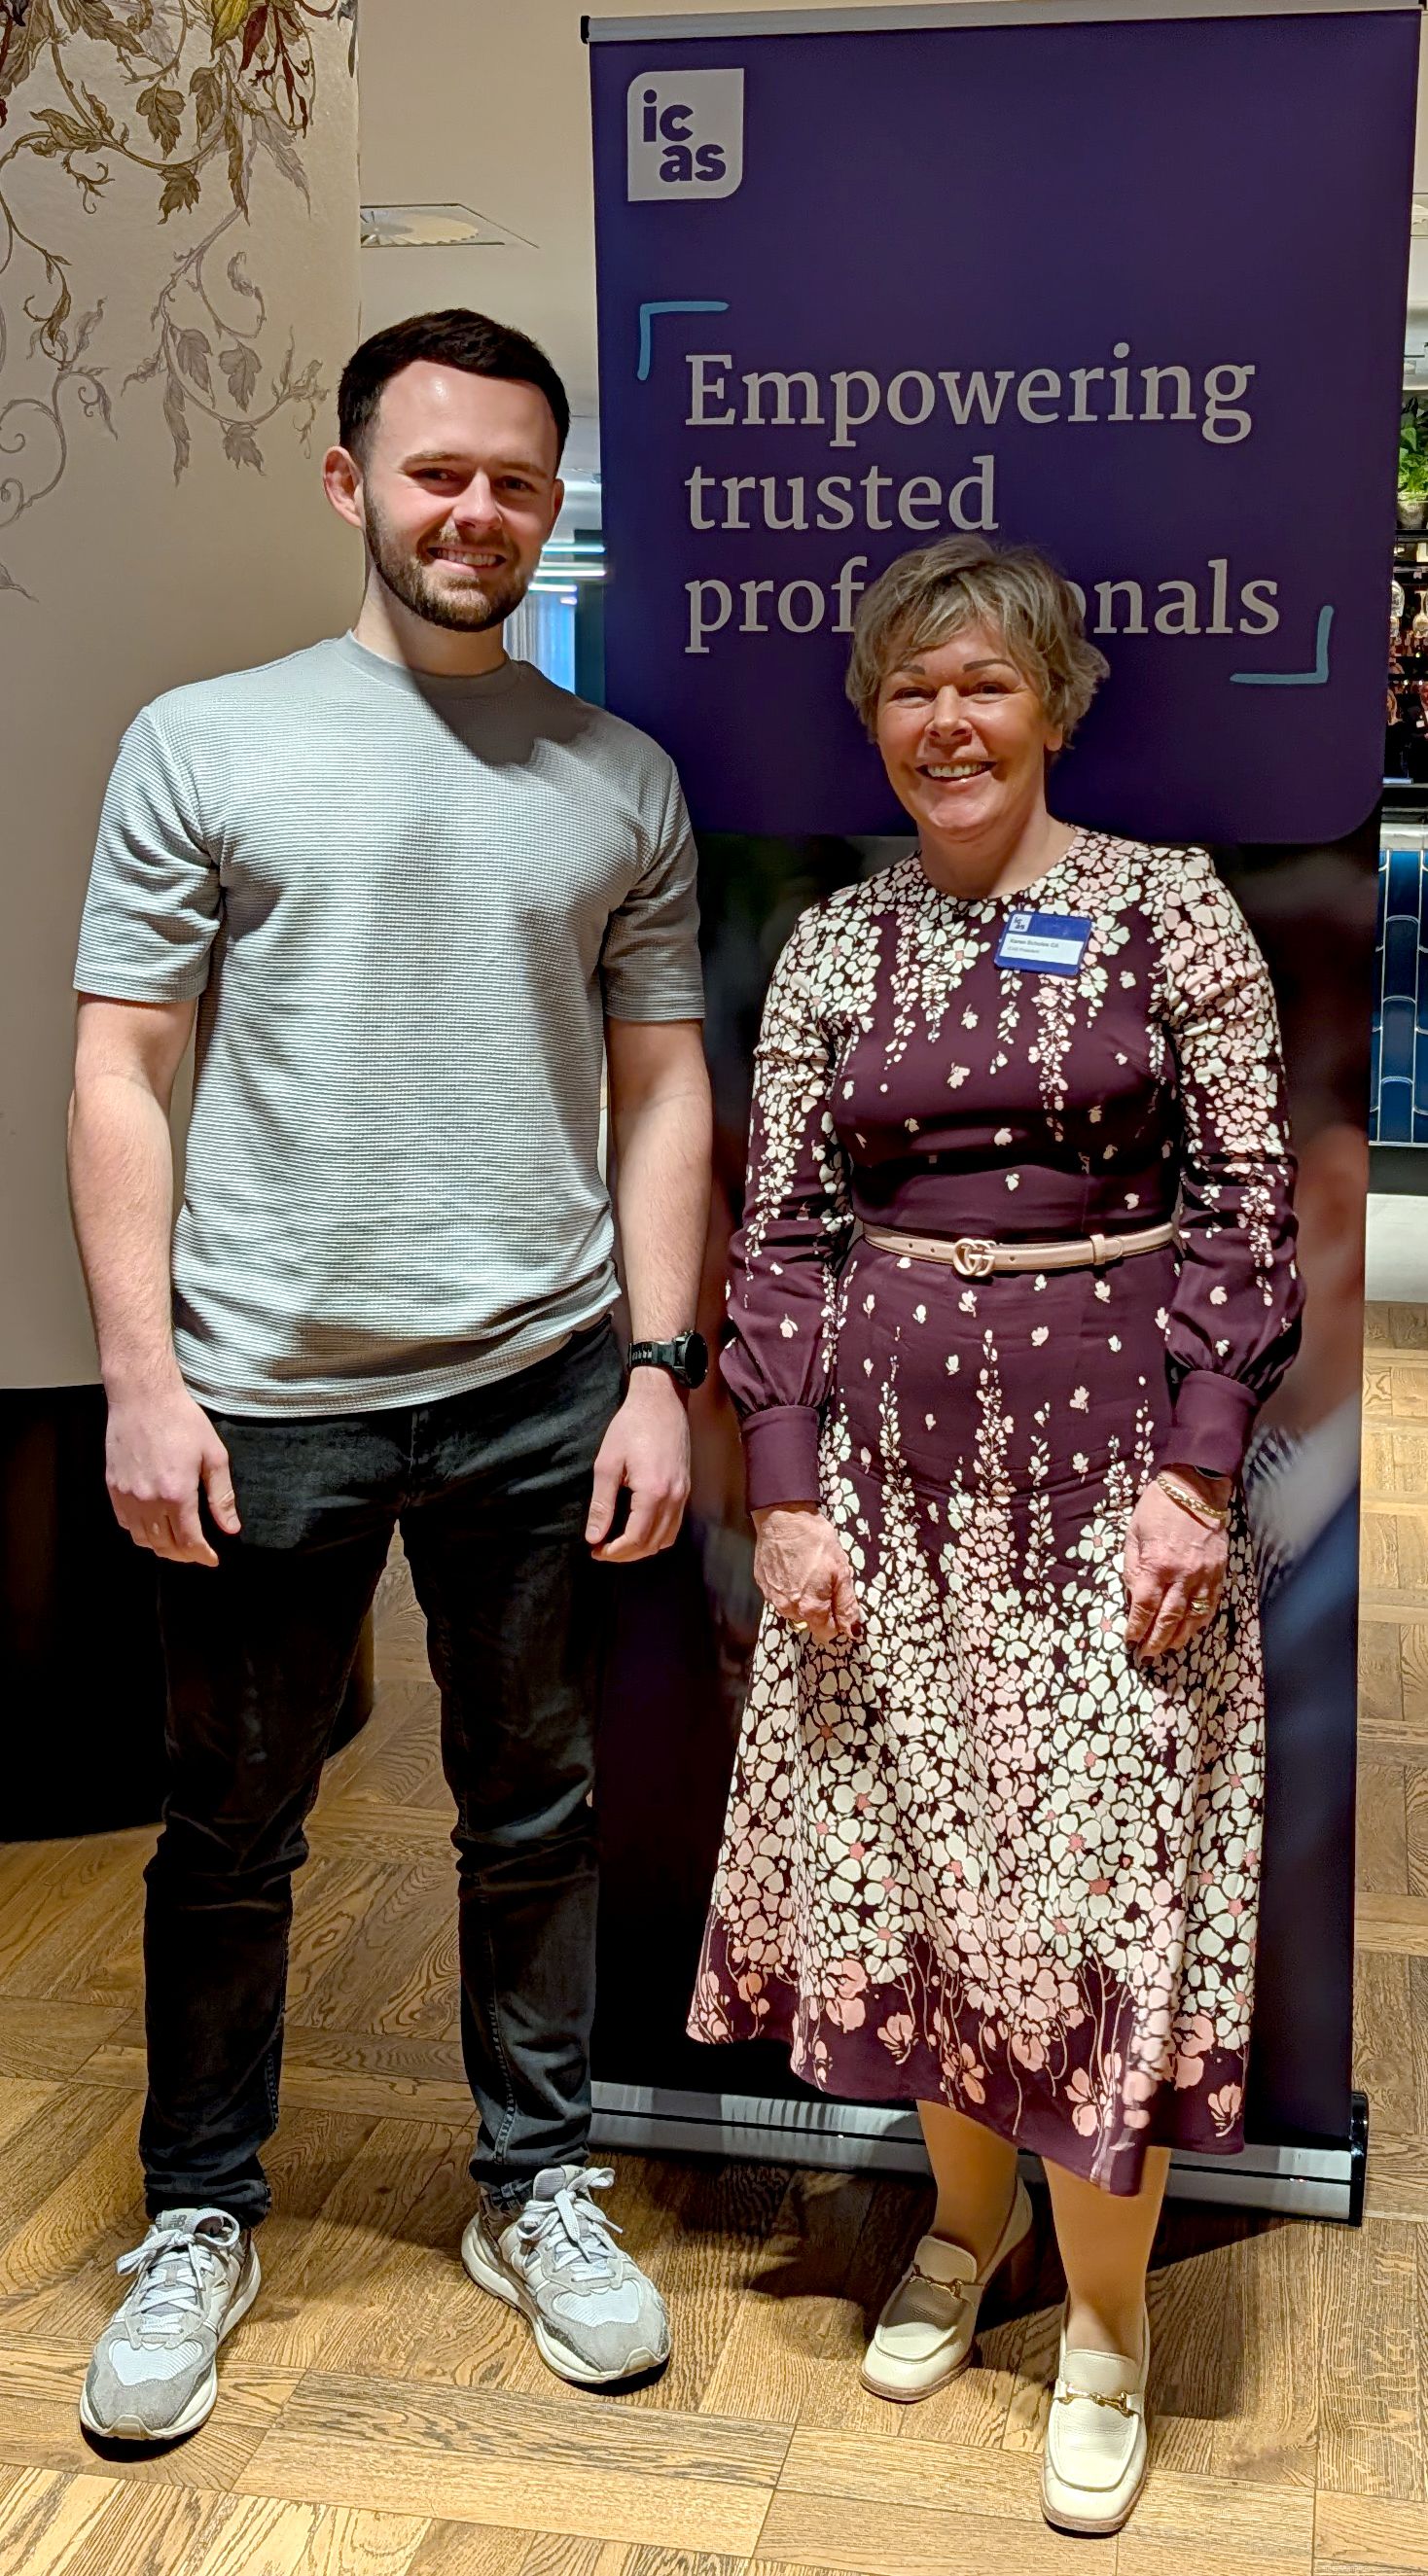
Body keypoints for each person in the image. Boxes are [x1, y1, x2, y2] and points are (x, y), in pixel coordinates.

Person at [67, 307, 712, 2440]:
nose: (476, 511)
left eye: (515, 479)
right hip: (265, 1390)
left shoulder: (617, 778)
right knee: (231, 1826)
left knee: (532, 1813)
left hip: (538, 1380)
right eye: (438, 471)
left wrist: (653, 1365)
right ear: (351, 481)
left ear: (551, 500)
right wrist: (140, 1375)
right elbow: (123, 1065)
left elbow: (661, 1086)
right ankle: (198, 2207)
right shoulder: (205, 740)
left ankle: (536, 2183)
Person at [689, 536, 1302, 2538]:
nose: (945, 723)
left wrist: (1195, 1473)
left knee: (1103, 1896)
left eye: (982, 684)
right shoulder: (833, 945)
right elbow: (780, 1228)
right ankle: (966, 2232)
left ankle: (1107, 2319)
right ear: (872, 718)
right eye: (909, 688)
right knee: (933, 1879)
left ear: (1050, 702)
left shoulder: (1165, 909)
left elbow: (1247, 1208)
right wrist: (783, 1486)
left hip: (1115, 1498)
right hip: (889, 1498)